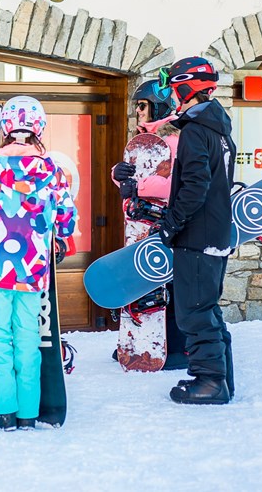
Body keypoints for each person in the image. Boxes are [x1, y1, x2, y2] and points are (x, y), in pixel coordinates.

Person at [0, 96, 77, 430]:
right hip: (32, 269)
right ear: (38, 127)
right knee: (28, 336)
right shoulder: (52, 170)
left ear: (6, 127)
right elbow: (67, 221)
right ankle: (28, 412)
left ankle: (1, 411)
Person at [156, 56, 237, 405]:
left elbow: (195, 186)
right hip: (216, 233)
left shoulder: (194, 132)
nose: (173, 98)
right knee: (208, 308)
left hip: (197, 236)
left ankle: (210, 382)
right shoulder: (219, 130)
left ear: (186, 87)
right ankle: (222, 378)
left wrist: (171, 221)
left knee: (194, 311)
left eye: (174, 90)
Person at [111, 74, 188, 371]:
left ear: (159, 106)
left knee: (168, 283)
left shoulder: (175, 142)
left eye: (142, 106)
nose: (138, 112)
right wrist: (118, 176)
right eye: (137, 107)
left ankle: (176, 349)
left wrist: (138, 187)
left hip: (168, 224)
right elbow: (132, 178)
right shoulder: (143, 143)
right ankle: (139, 344)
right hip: (140, 223)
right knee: (143, 282)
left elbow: (178, 183)